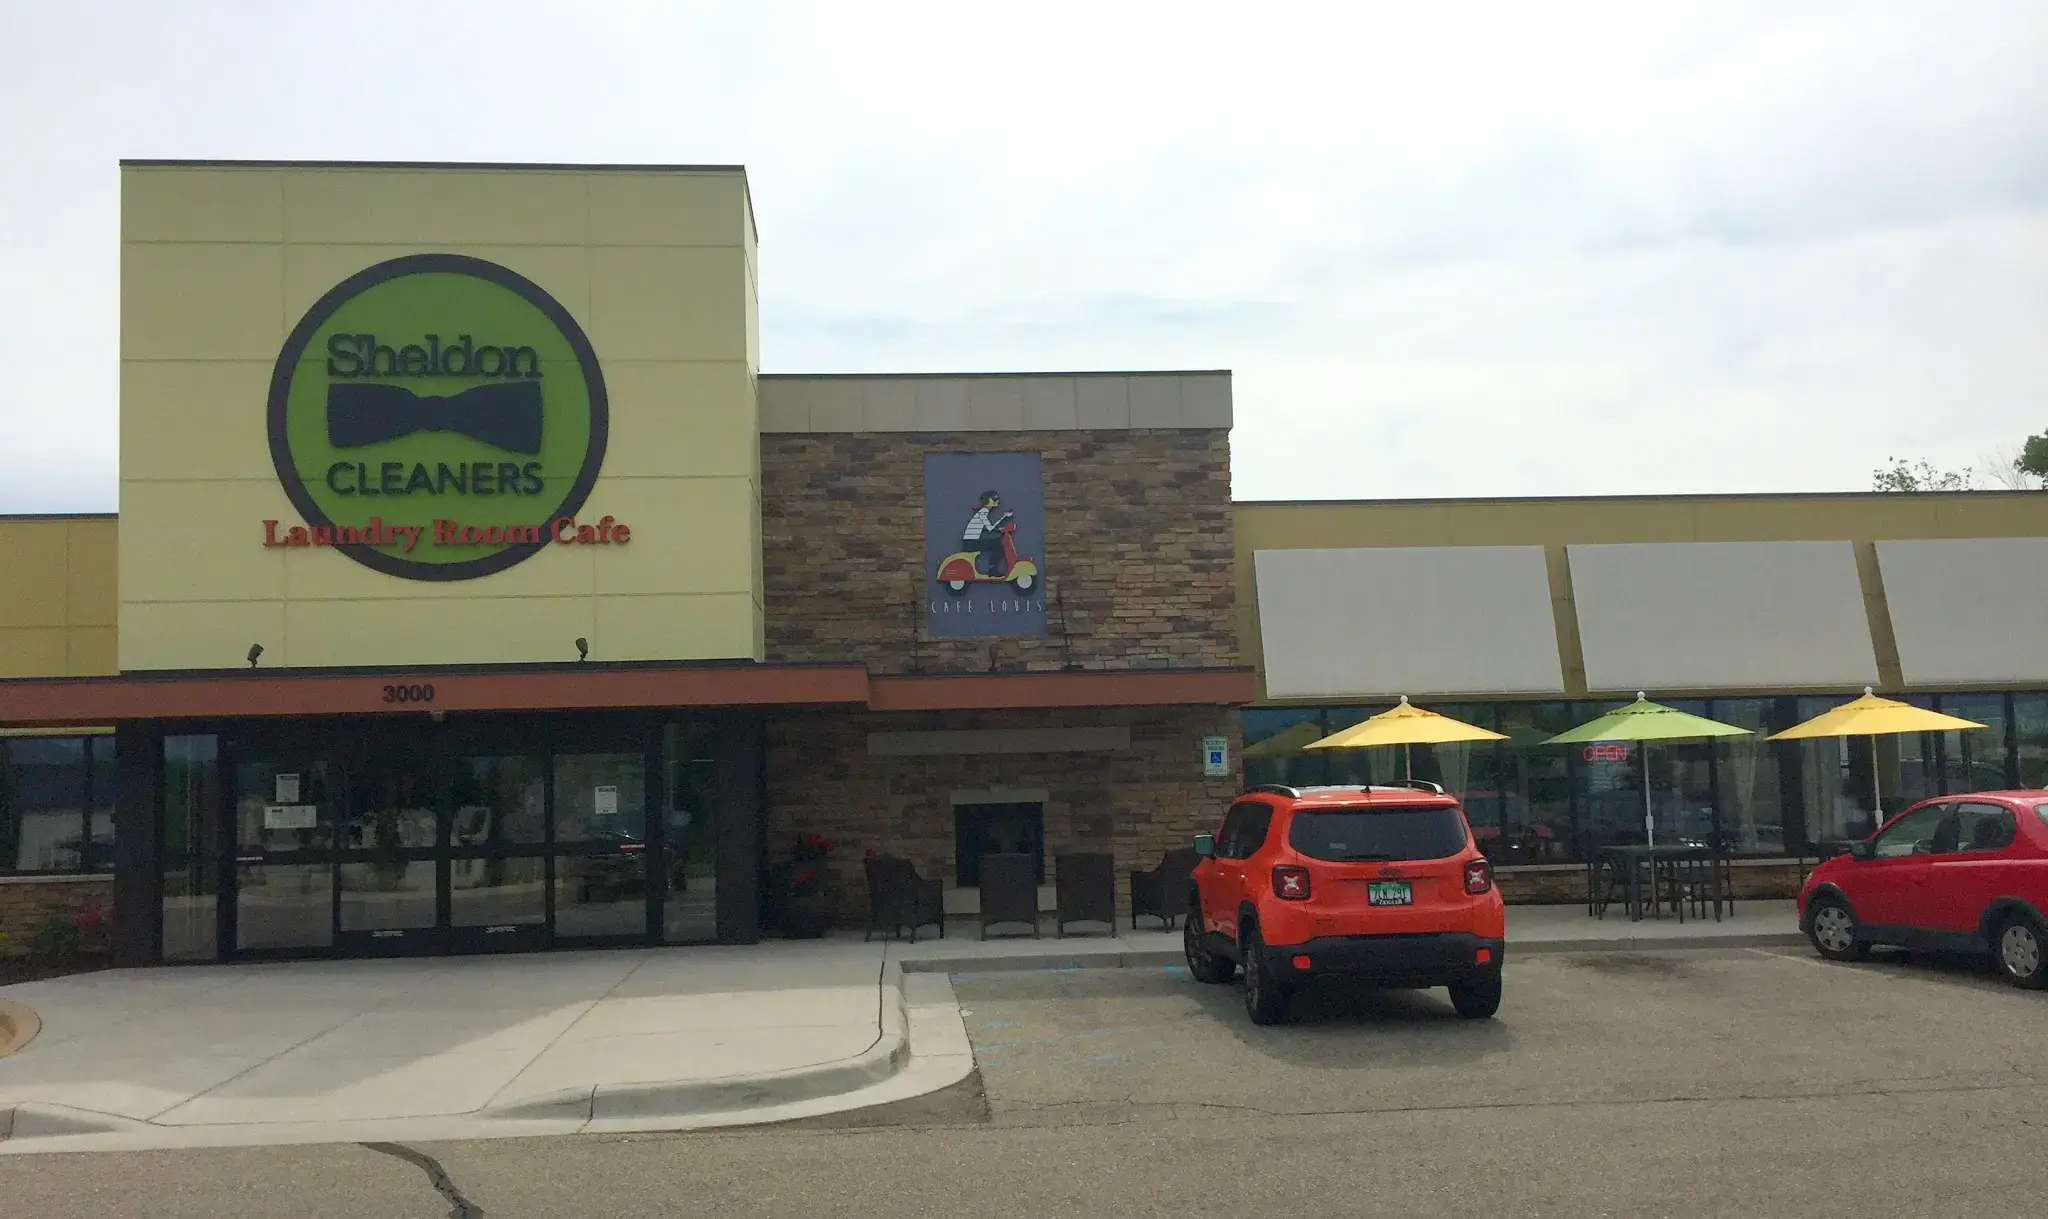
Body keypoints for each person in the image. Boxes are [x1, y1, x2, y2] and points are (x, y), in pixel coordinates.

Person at [960, 490, 1013, 576]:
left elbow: (983, 528)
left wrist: (999, 528)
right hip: (971, 542)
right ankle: (992, 570)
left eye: (997, 499)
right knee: (999, 545)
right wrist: (1003, 517)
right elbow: (990, 528)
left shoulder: (983, 512)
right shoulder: (983, 512)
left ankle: (993, 569)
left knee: (997, 543)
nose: (997, 501)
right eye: (994, 499)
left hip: (971, 541)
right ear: (987, 501)